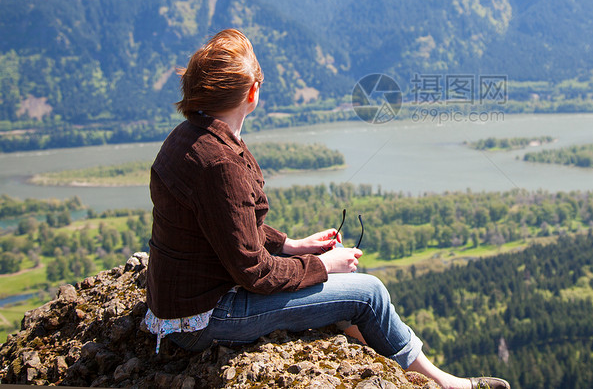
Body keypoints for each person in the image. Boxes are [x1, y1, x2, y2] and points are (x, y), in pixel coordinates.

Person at [144, 29, 510, 389]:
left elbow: (225, 225)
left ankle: (388, 365)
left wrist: (294, 246)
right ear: (253, 93)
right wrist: (323, 265)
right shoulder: (220, 162)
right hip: (205, 319)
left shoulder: (188, 138)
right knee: (369, 294)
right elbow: (253, 271)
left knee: (338, 285)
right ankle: (444, 385)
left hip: (177, 308)